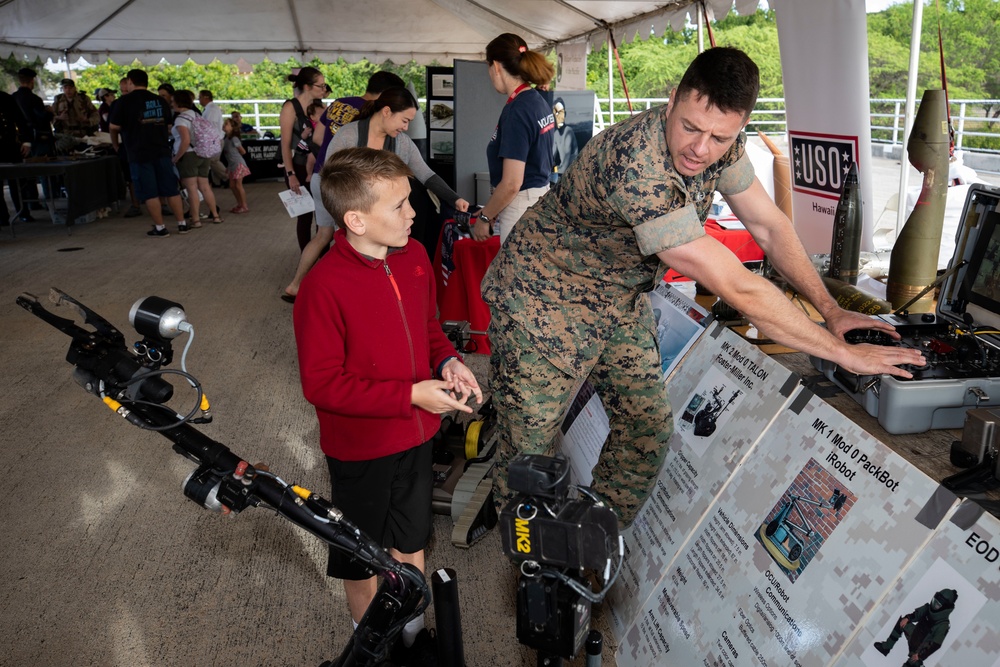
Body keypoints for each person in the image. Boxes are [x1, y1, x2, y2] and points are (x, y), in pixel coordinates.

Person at [481, 47, 926, 525]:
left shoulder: (718, 142)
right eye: (691, 127)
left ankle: (591, 541)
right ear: (672, 100)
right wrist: (842, 353)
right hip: (542, 295)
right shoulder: (637, 163)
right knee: (529, 450)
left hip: (615, 297)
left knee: (645, 428)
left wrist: (830, 309)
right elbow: (737, 286)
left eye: (719, 137)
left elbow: (770, 226)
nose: (701, 148)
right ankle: (528, 576)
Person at [293, 146, 482, 655]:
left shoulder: (415, 257)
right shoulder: (322, 288)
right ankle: (370, 645)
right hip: (360, 450)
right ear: (355, 219)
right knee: (361, 555)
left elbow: (428, 329)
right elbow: (323, 385)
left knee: (412, 538)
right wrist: (411, 395)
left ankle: (413, 631)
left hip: (417, 437)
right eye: (398, 205)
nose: (413, 213)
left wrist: (446, 363)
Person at [282, 87, 471, 302]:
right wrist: (344, 220)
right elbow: (331, 178)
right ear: (387, 111)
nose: (406, 127)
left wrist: (454, 198)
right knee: (349, 259)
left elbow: (426, 175)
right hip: (350, 214)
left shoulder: (402, 143)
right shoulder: (349, 135)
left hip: (382, 219)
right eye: (404, 120)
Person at [470, 33, 555, 245]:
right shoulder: (537, 100)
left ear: (496, 66)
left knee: (516, 277)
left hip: (520, 206)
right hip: (538, 200)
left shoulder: (517, 110)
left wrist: (485, 216)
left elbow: (511, 183)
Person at [108, 68, 188, 237]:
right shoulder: (160, 100)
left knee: (150, 192)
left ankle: (160, 228)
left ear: (130, 81)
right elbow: (168, 127)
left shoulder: (123, 102)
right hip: (161, 150)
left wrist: (116, 145)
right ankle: (182, 224)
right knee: (170, 189)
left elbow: (113, 127)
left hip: (139, 153)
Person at [279, 66, 326, 252]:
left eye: (324, 86)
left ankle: (322, 258)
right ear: (307, 86)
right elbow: (285, 144)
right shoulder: (290, 107)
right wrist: (290, 174)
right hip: (297, 167)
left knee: (322, 217)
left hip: (320, 166)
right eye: (320, 86)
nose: (323, 89)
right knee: (305, 216)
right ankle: (307, 259)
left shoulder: (321, 107)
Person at [170, 89, 223, 230]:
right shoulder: (196, 114)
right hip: (203, 153)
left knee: (192, 188)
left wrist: (176, 158)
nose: (171, 103)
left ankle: (196, 219)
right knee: (205, 186)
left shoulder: (181, 119)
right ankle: (215, 215)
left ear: (178, 102)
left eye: (172, 101)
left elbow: (185, 140)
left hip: (188, 155)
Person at [12, 67, 54, 220]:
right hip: (38, 138)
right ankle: (50, 200)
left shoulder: (13, 97)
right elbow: (41, 117)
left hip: (21, 139)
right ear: (32, 81)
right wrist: (50, 112)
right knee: (43, 171)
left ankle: (28, 206)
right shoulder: (34, 99)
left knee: (24, 174)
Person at [874, 588, 958, 664]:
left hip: (920, 649)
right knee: (902, 622)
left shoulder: (943, 625)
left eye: (938, 605)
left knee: (914, 663)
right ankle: (886, 647)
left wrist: (921, 655)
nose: (934, 605)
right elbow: (916, 614)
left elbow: (935, 644)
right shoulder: (927, 608)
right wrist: (908, 618)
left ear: (945, 608)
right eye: (934, 601)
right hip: (914, 635)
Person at [0, 90, 31, 228]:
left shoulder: (5, 97)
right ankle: (2, 217)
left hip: (10, 145)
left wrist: (26, 141)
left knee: (17, 182)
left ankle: (23, 212)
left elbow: (20, 119)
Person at [222, 117, 250, 213]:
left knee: (238, 185)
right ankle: (239, 204)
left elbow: (242, 151)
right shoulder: (226, 139)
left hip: (238, 164)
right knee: (232, 185)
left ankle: (244, 205)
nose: (224, 125)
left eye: (226, 124)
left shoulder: (234, 139)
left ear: (232, 127)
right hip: (232, 165)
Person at [198, 90, 227, 185]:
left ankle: (227, 177)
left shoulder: (212, 109)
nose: (199, 100)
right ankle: (217, 181)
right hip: (214, 138)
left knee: (213, 161)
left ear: (206, 97)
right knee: (213, 161)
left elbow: (209, 125)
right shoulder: (209, 109)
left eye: (200, 97)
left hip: (214, 139)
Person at [550, 97, 578, 183]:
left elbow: (565, 166)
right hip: (562, 175)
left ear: (565, 114)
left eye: (561, 112)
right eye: (556, 113)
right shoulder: (555, 133)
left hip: (572, 175)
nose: (559, 116)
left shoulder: (568, 131)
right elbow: (551, 157)